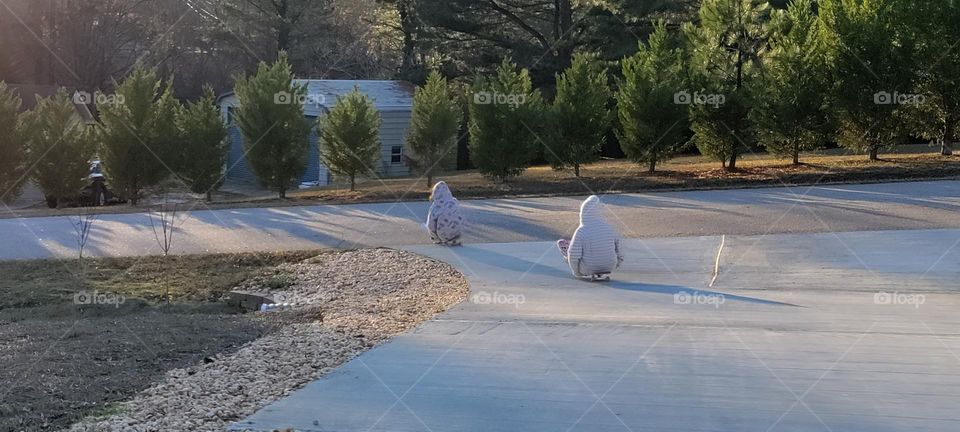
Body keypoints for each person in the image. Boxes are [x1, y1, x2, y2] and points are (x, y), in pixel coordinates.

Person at [557, 195, 623, 281]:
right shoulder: (610, 228)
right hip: (609, 266)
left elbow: (573, 255)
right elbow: (621, 250)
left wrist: (577, 272)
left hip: (587, 268)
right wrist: (616, 264)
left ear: (582, 213)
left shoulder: (581, 231)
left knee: (572, 251)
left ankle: (566, 253)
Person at [426, 181, 464, 246]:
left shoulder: (436, 205)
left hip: (442, 233)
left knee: (433, 223)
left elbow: (430, 223)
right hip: (457, 232)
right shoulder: (454, 201)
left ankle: (438, 239)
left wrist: (433, 235)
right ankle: (454, 239)